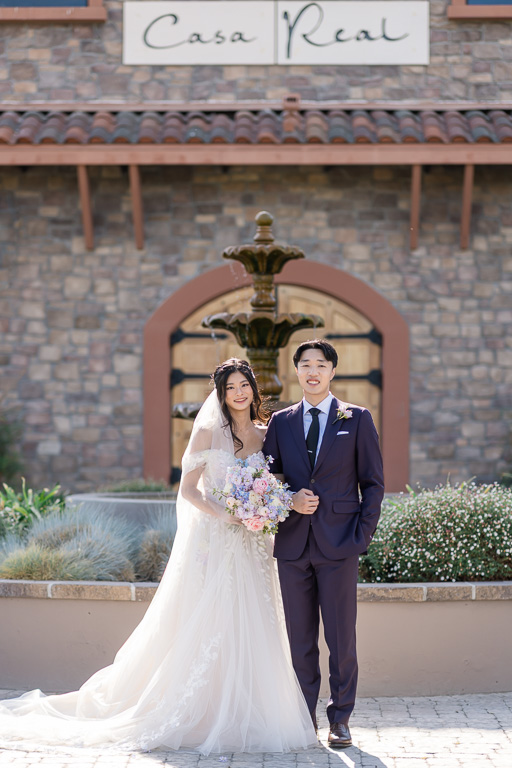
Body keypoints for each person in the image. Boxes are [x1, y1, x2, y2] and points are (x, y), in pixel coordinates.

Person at [0, 358, 316, 755]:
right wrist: (230, 514)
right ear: (221, 394)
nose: (238, 393)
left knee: (255, 616)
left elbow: (276, 481)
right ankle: (200, 709)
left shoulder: (265, 434)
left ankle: (250, 708)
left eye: (244, 386)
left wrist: (267, 506)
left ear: (254, 389)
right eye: (230, 387)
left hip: (250, 544)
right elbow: (189, 491)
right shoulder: (205, 431)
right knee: (210, 617)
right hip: (217, 539)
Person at [263, 339, 384, 749]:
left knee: (340, 637)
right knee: (299, 639)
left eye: (320, 364)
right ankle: (302, 717)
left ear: (332, 371)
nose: (312, 371)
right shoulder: (280, 423)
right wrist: (289, 501)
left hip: (339, 546)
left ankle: (341, 719)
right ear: (296, 371)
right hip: (293, 546)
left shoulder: (358, 418)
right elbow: (267, 485)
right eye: (305, 364)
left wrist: (361, 536)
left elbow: (373, 483)